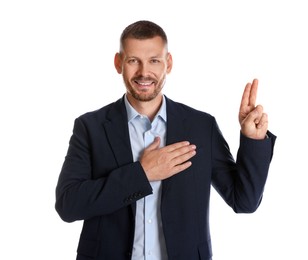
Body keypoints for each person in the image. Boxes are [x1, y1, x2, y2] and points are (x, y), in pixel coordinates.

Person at [55, 20, 276, 260]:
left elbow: (244, 201)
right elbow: (68, 204)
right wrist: (142, 173)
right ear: (119, 63)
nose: (143, 72)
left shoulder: (202, 127)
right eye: (133, 61)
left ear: (168, 63)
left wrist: (252, 140)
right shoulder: (90, 127)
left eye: (154, 61)